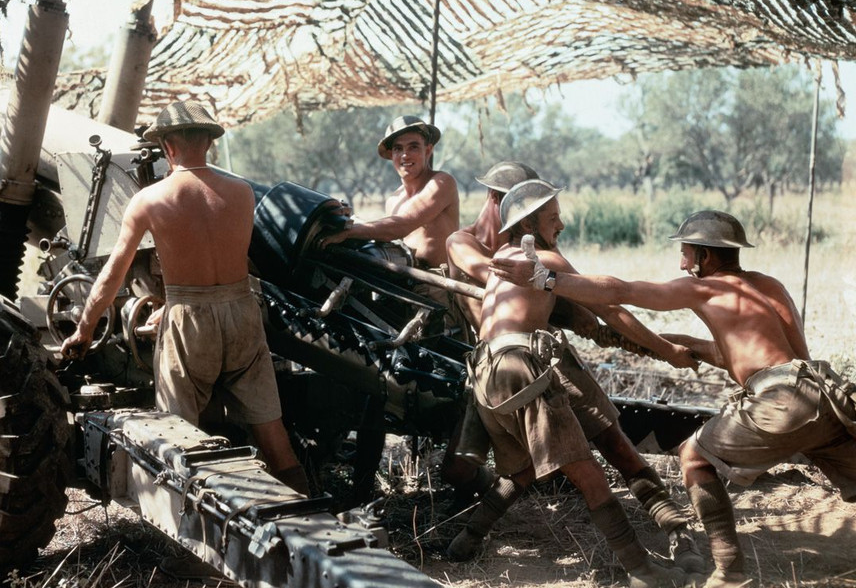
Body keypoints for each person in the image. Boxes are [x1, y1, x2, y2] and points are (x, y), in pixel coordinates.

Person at [503, 209, 856, 588]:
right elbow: (780, 358)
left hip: (780, 401)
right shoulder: (770, 286)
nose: (682, 264)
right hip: (824, 394)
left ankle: (730, 573)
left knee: (694, 457)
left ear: (706, 257)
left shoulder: (703, 287)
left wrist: (546, 279)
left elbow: (621, 290)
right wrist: (681, 347)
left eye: (686, 253)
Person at [445, 166, 706, 576]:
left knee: (523, 468)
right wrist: (668, 350)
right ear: (527, 225)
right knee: (589, 471)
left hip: (484, 373)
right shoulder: (532, 257)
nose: (562, 225)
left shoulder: (503, 258)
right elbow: (613, 307)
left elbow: (573, 309)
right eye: (554, 218)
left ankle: (467, 537)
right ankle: (644, 571)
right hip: (522, 365)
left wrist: (574, 308)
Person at [60, 101, 310, 499]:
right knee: (272, 433)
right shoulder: (242, 193)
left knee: (179, 438)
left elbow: (113, 275)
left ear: (168, 147)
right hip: (243, 312)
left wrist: (84, 329)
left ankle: (190, 540)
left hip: (188, 321)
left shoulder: (149, 200)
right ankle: (305, 508)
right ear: (209, 143)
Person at [318, 114, 459, 269]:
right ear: (392, 155)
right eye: (398, 149)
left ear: (428, 150)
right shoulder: (394, 200)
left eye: (413, 147)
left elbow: (401, 225)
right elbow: (388, 234)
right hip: (407, 279)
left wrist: (349, 231)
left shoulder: (441, 182)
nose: (405, 155)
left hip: (440, 285)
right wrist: (343, 222)